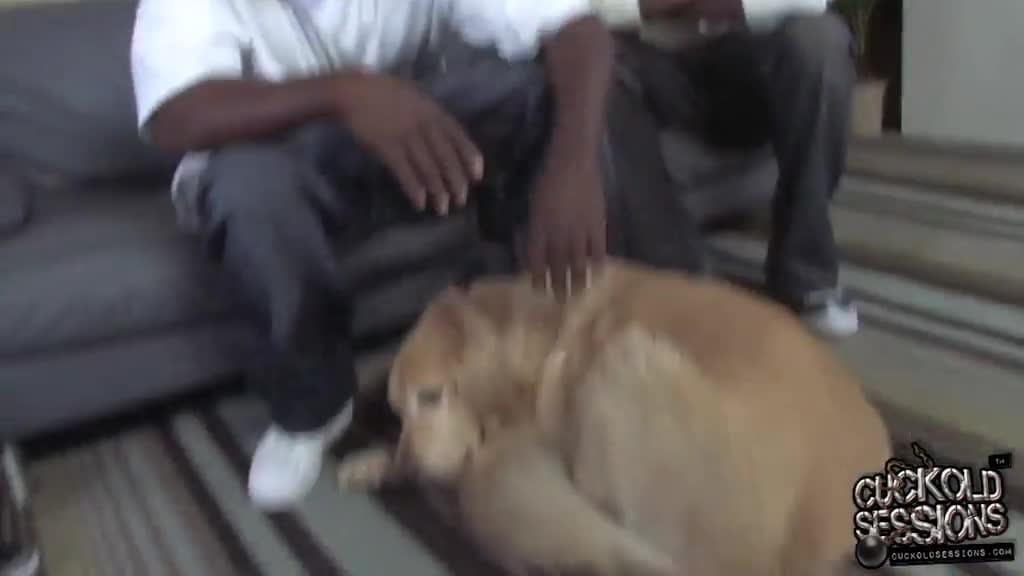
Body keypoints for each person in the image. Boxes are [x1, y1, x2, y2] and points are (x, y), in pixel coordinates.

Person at [131, 0, 612, 509]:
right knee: (245, 186)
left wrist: (573, 166)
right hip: (285, 160)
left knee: (549, 90)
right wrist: (345, 92)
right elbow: (174, 114)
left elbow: (575, 26)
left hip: (412, 141)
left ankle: (574, 345)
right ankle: (314, 407)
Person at [592, 0, 860, 337]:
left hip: (751, 57)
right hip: (649, 61)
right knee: (590, 58)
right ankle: (678, 273)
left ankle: (806, 277)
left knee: (820, 39)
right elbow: (589, 9)